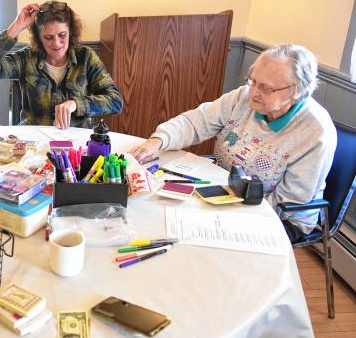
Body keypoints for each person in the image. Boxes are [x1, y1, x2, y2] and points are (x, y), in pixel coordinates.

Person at [129, 45, 336, 241]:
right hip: (225, 193)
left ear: (298, 91)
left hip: (277, 215)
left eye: (266, 88)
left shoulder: (316, 131)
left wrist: (223, 212)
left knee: (199, 238)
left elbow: (289, 200)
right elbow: (195, 122)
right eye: (253, 81)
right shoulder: (243, 97)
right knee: (164, 214)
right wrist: (158, 140)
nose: (254, 93)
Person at [0, 1, 123, 129]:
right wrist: (17, 27)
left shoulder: (86, 57)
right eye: (48, 37)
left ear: (71, 32)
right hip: (33, 141)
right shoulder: (26, 58)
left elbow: (115, 101)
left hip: (75, 142)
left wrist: (76, 104)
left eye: (62, 35)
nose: (57, 43)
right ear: (39, 38)